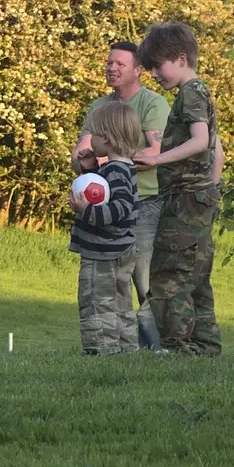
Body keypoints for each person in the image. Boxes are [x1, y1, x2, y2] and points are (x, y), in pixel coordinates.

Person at [134, 21, 224, 356]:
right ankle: (206, 347)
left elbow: (201, 142)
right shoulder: (201, 91)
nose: (155, 74)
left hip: (185, 200)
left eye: (158, 66)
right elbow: (218, 150)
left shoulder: (191, 92)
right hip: (197, 198)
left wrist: (156, 161)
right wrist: (208, 191)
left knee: (168, 275)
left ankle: (178, 348)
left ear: (181, 58)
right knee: (196, 275)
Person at [72, 41, 169, 348]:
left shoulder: (152, 105)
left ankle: (151, 347)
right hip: (114, 205)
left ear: (138, 71)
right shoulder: (100, 108)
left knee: (140, 282)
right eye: (108, 62)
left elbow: (156, 150)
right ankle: (127, 348)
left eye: (120, 64)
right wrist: (86, 164)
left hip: (146, 203)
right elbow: (81, 153)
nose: (111, 68)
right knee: (115, 288)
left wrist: (110, 165)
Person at [69, 103, 144, 354]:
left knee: (97, 302)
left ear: (108, 139)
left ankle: (103, 352)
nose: (91, 139)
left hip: (103, 252)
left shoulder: (115, 171)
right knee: (121, 301)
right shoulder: (123, 167)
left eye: (96, 134)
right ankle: (126, 349)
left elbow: (119, 207)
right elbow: (104, 191)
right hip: (122, 249)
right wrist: (90, 168)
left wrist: (85, 211)